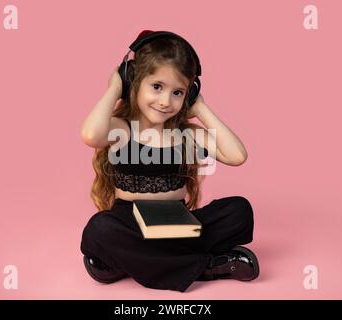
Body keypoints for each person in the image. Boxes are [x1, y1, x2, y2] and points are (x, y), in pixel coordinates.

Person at [79, 30, 259, 292]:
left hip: (176, 225)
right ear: (134, 81)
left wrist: (201, 109)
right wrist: (116, 86)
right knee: (100, 228)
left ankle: (132, 261)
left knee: (239, 210)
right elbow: (90, 134)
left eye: (178, 92)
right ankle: (206, 266)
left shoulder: (187, 134)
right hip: (131, 225)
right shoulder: (123, 129)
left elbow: (237, 156)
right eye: (156, 87)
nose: (166, 101)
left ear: (190, 94)